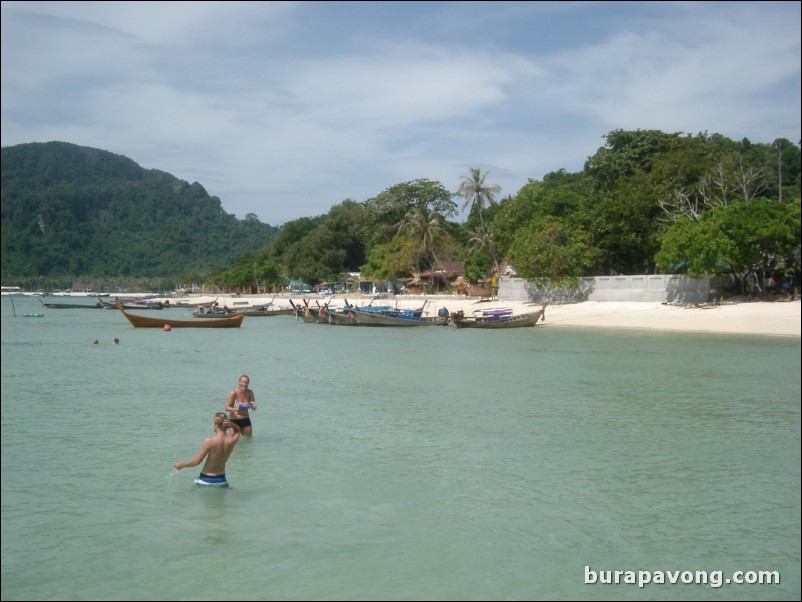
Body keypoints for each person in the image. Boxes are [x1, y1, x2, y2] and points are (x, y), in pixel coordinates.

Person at [175, 412, 241, 487]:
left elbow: (196, 462)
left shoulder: (209, 441)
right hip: (222, 480)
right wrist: (231, 425)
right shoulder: (231, 441)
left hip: (205, 480)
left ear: (216, 424)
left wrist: (182, 465)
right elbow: (238, 430)